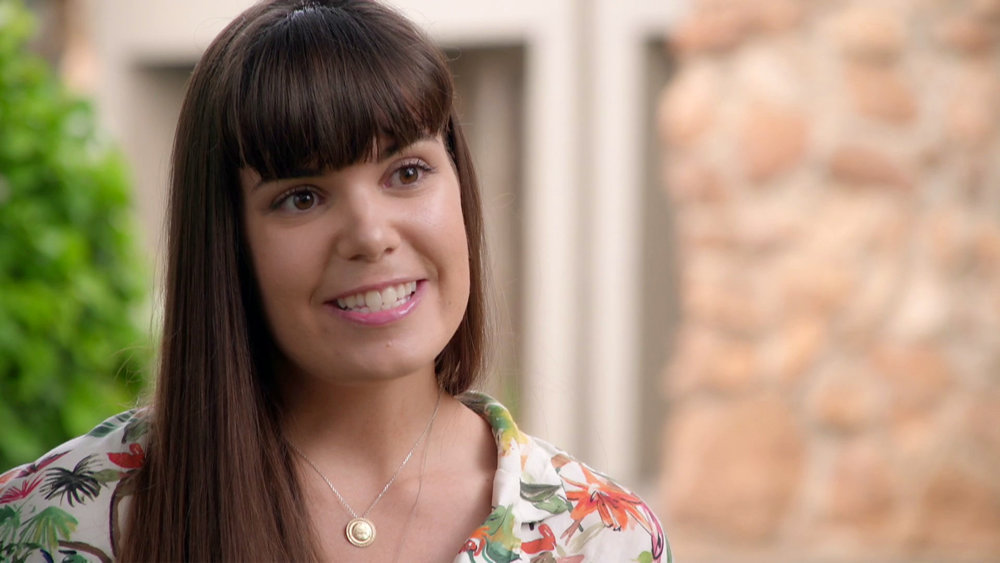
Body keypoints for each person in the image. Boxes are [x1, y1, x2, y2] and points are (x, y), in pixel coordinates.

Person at [0, 1, 669, 561]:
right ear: (227, 241)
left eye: (407, 172)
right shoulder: (52, 521)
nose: (370, 235)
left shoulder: (600, 536)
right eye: (301, 197)